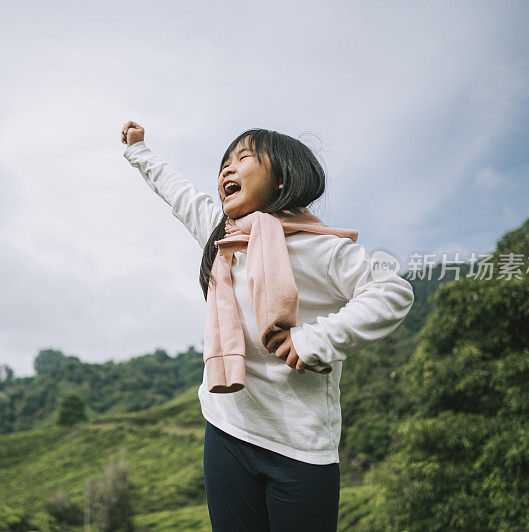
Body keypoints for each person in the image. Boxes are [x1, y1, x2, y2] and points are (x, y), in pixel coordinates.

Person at [120, 120, 415, 531]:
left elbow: (392, 292)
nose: (227, 169)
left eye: (243, 159)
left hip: (300, 445)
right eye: (224, 162)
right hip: (227, 429)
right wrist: (139, 152)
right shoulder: (223, 236)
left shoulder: (322, 249)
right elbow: (181, 195)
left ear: (282, 179)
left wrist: (317, 338)